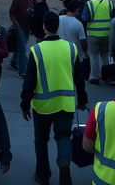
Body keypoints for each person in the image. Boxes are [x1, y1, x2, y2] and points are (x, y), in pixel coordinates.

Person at [20, 11, 87, 185]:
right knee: (63, 137)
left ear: (44, 26)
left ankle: (43, 175)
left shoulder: (37, 51)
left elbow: (29, 83)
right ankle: (63, 162)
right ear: (57, 26)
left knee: (41, 140)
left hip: (42, 106)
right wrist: (82, 99)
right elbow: (79, 78)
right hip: (65, 105)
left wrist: (24, 104)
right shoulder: (71, 48)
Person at [82, 0, 112, 85]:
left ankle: (95, 77)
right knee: (105, 56)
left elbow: (85, 18)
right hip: (106, 34)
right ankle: (107, 75)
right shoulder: (108, 2)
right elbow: (113, 16)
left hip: (93, 34)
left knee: (94, 57)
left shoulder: (89, 4)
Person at [8, 0, 35, 78]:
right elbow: (11, 12)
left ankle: (13, 62)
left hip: (28, 27)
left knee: (20, 46)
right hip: (19, 27)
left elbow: (34, 9)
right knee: (23, 49)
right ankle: (22, 72)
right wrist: (16, 23)